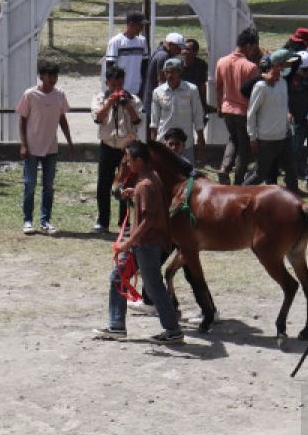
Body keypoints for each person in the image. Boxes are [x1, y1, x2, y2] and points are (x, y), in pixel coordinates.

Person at [93, 141, 184, 344]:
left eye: (129, 159)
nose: (126, 162)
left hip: (145, 244)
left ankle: (173, 330)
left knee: (153, 287)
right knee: (119, 277)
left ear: (139, 161)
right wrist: (133, 193)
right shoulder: (148, 181)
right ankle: (116, 325)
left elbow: (148, 220)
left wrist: (128, 242)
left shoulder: (146, 186)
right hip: (144, 243)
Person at [17, 62, 73, 236]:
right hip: (32, 148)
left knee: (48, 186)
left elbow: (62, 118)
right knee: (30, 185)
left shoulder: (59, 95)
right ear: (41, 76)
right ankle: (28, 220)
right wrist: (24, 144)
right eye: (50, 77)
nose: (53, 80)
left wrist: (70, 141)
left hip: (51, 148)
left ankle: (45, 220)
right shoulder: (30, 95)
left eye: (55, 77)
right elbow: (22, 120)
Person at [91, 66, 141, 233]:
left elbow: (138, 122)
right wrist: (110, 102)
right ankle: (102, 221)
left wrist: (128, 106)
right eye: (113, 85)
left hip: (126, 149)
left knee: (125, 184)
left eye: (120, 85)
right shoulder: (99, 98)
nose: (117, 89)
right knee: (103, 185)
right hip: (107, 146)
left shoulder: (132, 99)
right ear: (107, 83)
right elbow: (97, 118)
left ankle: (124, 222)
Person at [213, 28, 260, 185]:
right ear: (248, 45)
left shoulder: (222, 61)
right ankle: (238, 181)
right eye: (254, 47)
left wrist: (219, 105)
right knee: (244, 147)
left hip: (227, 109)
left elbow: (218, 87)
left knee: (233, 139)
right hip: (244, 112)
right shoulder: (250, 67)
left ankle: (224, 168)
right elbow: (255, 94)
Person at [244, 50, 296, 191]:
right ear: (279, 65)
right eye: (287, 64)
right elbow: (251, 113)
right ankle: (239, 193)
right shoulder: (261, 86)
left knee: (291, 170)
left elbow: (283, 108)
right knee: (260, 174)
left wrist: (287, 127)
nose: (289, 67)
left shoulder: (283, 83)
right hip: (266, 139)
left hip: (283, 136)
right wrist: (253, 138)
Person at [149, 58, 206, 163]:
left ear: (180, 72)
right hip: (164, 142)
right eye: (167, 72)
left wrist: (200, 138)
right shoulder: (158, 92)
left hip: (185, 144)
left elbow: (197, 115)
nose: (170, 75)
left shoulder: (191, 90)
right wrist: (153, 143)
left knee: (187, 175)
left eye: (173, 72)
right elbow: (154, 119)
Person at [287, 50, 308, 188]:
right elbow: (284, 95)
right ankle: (292, 183)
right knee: (294, 151)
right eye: (301, 70)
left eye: (306, 70)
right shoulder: (288, 75)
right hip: (297, 121)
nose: (303, 73)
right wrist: (287, 111)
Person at [103, 12, 149, 92]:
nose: (142, 28)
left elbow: (144, 65)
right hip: (120, 88)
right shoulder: (116, 42)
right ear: (131, 24)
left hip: (137, 88)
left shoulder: (142, 42)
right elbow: (110, 67)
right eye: (140, 25)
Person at [143, 32, 184, 117]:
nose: (180, 51)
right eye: (178, 48)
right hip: (156, 104)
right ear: (171, 45)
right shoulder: (163, 55)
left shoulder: (159, 52)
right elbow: (161, 81)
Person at [180, 38, 208, 111]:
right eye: (184, 49)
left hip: (195, 100)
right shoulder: (178, 64)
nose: (185, 51)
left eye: (188, 49)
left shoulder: (201, 65)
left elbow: (202, 85)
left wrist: (203, 104)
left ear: (195, 52)